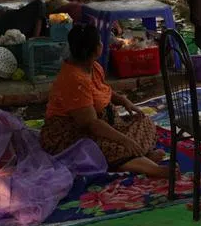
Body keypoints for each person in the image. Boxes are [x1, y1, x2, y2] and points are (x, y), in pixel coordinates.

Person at [39, 24, 168, 178]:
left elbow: (101, 89)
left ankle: (138, 155)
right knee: (112, 147)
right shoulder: (74, 80)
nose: (102, 44)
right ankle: (150, 168)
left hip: (103, 123)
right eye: (99, 41)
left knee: (144, 122)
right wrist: (125, 140)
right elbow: (91, 124)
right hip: (72, 134)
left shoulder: (94, 67)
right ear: (95, 49)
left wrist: (122, 100)